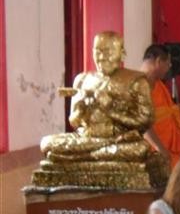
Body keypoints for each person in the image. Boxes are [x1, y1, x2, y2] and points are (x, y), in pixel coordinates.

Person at [36, 31, 161, 189]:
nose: (102, 57)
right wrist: (81, 108)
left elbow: (145, 121)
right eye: (98, 51)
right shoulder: (82, 80)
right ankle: (93, 155)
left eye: (108, 52)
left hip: (119, 140)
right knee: (47, 143)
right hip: (87, 138)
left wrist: (109, 109)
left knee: (139, 149)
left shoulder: (136, 81)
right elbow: (74, 122)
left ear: (122, 54)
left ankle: (81, 157)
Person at [140, 44, 180, 168]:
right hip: (155, 152)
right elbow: (143, 124)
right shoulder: (139, 85)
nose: (169, 67)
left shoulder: (157, 83)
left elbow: (165, 112)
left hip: (169, 150)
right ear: (158, 61)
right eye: (168, 63)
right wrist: (161, 149)